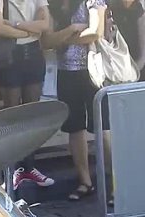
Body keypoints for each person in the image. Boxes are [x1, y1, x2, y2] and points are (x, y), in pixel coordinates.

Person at [0, 0, 56, 190]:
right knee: (12, 115)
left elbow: (44, 24)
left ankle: (29, 167)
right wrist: (28, 32)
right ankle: (11, 169)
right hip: (10, 54)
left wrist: (15, 25)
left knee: (31, 115)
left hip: (33, 54)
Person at [43, 0, 109, 201]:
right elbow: (46, 42)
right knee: (74, 127)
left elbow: (96, 32)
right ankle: (85, 181)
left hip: (94, 70)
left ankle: (114, 182)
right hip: (66, 72)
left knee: (104, 127)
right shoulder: (52, 5)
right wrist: (72, 30)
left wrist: (61, 38)